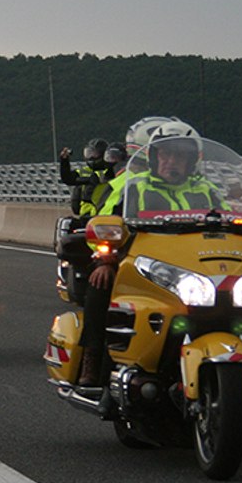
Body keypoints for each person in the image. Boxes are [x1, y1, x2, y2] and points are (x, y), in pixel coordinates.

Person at [76, 117, 199, 386]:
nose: (171, 161)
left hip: (193, 266)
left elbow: (235, 222)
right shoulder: (133, 187)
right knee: (100, 283)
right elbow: (103, 225)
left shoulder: (208, 191)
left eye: (180, 156)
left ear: (192, 161)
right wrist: (106, 257)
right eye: (165, 154)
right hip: (139, 264)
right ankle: (93, 357)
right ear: (153, 157)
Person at [58, 138, 114, 217]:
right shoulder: (85, 171)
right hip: (86, 214)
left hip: (105, 212)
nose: (90, 157)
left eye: (94, 154)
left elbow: (100, 178)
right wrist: (64, 161)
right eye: (88, 154)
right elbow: (67, 178)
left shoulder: (111, 171)